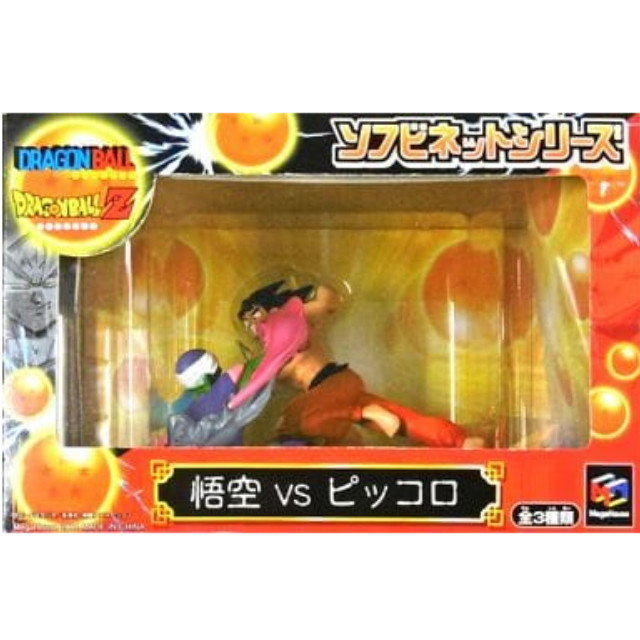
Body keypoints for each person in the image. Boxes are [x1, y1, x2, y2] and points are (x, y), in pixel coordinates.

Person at [230, 280, 482, 447]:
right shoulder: (269, 352)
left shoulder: (298, 323)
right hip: (332, 397)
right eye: (246, 322)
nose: (251, 325)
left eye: (253, 315)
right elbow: (255, 382)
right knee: (403, 420)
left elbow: (329, 300)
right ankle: (460, 440)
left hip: (334, 382)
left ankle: (359, 414)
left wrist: (297, 303)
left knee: (296, 419)